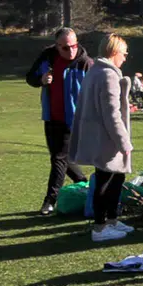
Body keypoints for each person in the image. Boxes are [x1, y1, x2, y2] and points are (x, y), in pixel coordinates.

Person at [69, 34, 134, 243]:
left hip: (99, 134)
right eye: (124, 53)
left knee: (116, 178)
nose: (125, 57)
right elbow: (111, 113)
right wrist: (124, 142)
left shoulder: (95, 72)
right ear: (115, 52)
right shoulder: (108, 75)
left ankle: (112, 220)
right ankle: (100, 226)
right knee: (105, 181)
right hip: (106, 137)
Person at [25, 27, 93, 216]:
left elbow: (97, 92)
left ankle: (50, 200)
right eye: (64, 48)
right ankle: (84, 183)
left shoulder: (86, 64)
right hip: (51, 117)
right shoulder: (48, 57)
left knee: (59, 158)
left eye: (73, 46)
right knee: (61, 157)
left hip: (75, 119)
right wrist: (41, 79)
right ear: (57, 46)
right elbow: (30, 78)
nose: (70, 51)